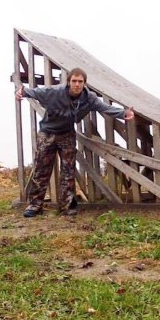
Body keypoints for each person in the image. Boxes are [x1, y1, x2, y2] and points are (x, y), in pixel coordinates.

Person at [16, 67, 134, 217]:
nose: (77, 84)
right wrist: (21, 92)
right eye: (74, 81)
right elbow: (32, 92)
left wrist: (124, 113)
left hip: (67, 134)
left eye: (80, 81)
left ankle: (66, 207)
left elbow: (104, 107)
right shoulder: (55, 92)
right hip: (48, 133)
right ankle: (34, 205)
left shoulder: (89, 97)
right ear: (69, 82)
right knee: (41, 169)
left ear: (84, 83)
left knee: (68, 171)